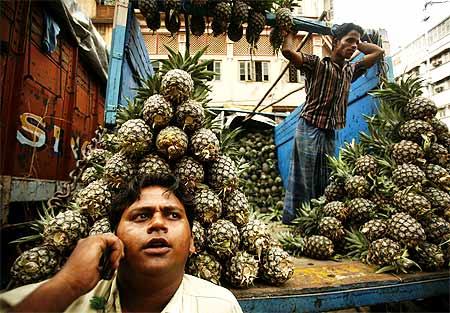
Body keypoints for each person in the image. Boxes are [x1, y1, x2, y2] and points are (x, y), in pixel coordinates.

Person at [0, 175, 243, 313]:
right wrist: (69, 284)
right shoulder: (61, 300)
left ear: (192, 242)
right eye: (141, 215)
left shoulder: (220, 306)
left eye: (173, 215)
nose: (158, 223)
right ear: (113, 238)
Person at [281, 23, 385, 224]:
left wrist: (359, 43)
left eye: (356, 42)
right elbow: (288, 51)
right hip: (309, 125)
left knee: (326, 175)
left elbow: (378, 52)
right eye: (348, 41)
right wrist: (289, 33)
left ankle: (318, 220)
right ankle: (295, 221)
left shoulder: (351, 69)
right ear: (336, 42)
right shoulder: (317, 64)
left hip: (331, 130)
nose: (353, 46)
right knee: (304, 176)